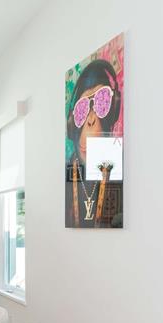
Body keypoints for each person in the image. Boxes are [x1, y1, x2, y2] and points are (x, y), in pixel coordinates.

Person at [65, 58, 123, 228]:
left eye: (101, 102)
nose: (91, 120)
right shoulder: (70, 170)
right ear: (72, 124)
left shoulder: (118, 165)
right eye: (82, 109)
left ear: (113, 110)